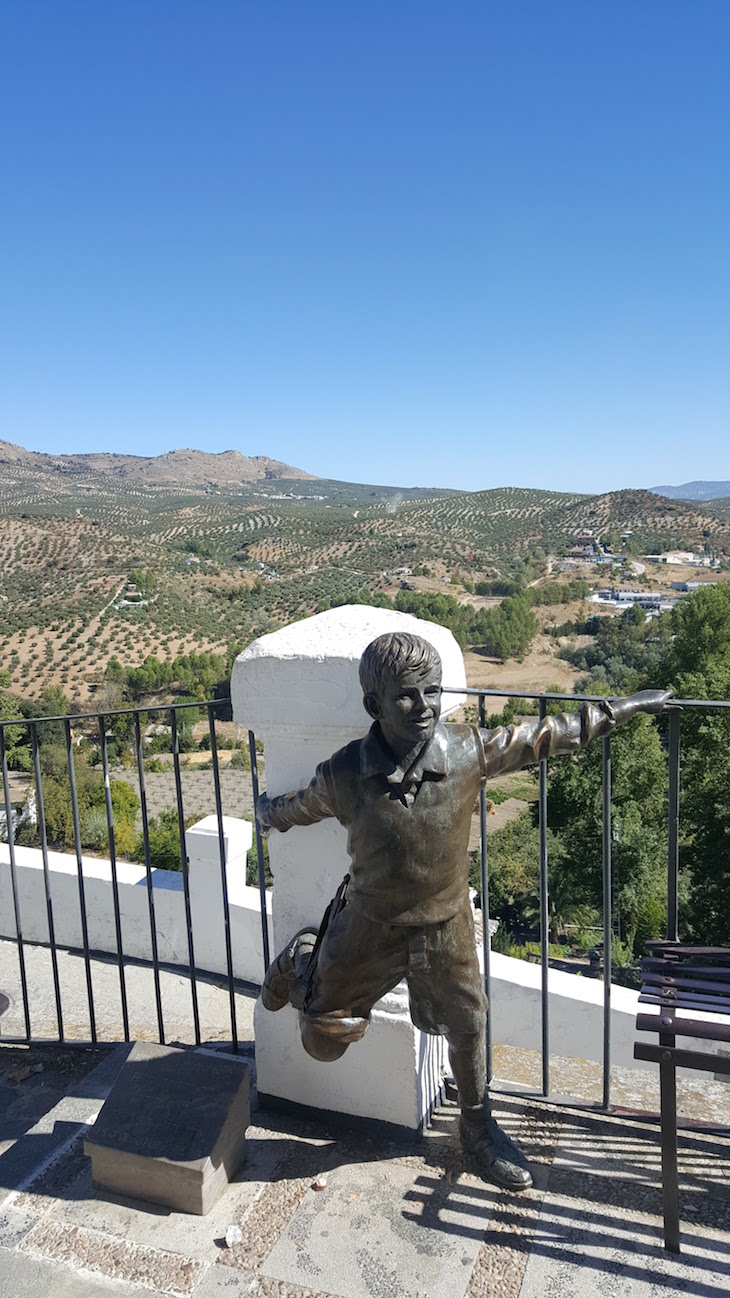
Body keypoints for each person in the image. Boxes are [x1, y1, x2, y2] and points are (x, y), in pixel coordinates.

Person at [256, 631, 671, 1190]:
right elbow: (303, 805)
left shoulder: (468, 750)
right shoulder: (345, 772)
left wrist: (617, 711)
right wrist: (268, 812)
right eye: (406, 695)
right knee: (322, 1042)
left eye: (432, 690)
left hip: (446, 925)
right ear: (372, 705)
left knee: (468, 1024)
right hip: (368, 926)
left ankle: (477, 1131)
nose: (424, 707)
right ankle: (300, 961)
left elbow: (544, 736)